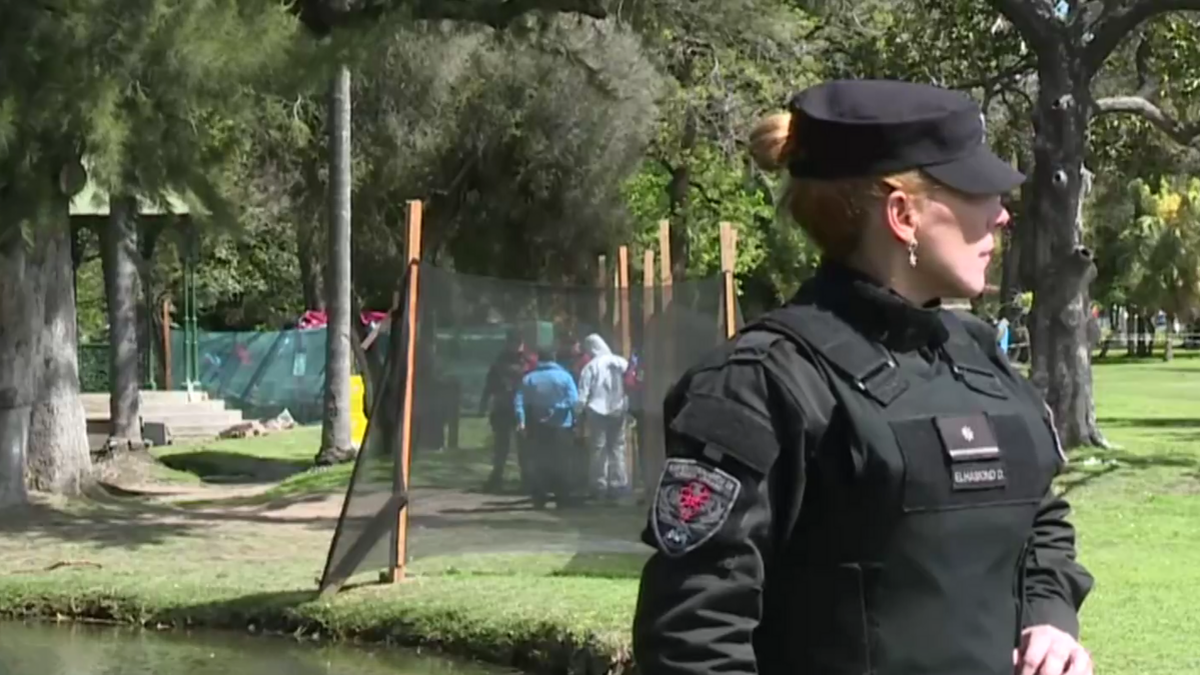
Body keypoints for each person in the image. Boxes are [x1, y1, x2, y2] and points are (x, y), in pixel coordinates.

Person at [632, 80, 1094, 675]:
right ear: (903, 215)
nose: (1002, 215)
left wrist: (1050, 616)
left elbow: (1041, 517)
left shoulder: (980, 357)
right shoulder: (760, 382)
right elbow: (692, 635)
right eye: (977, 190)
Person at [514, 347, 580, 509]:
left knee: (539, 460)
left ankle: (539, 495)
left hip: (538, 425)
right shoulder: (565, 377)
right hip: (562, 424)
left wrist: (521, 421)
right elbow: (574, 400)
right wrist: (558, 408)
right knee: (562, 460)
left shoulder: (529, 379)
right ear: (554, 358)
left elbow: (519, 402)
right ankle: (562, 495)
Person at [577, 333, 631, 500]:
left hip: (596, 410)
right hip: (618, 409)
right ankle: (619, 484)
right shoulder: (620, 361)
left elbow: (582, 393)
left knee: (598, 448)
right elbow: (631, 380)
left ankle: (599, 485)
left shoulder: (590, 366)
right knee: (617, 447)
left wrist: (578, 413)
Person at [479, 330, 533, 493]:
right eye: (513, 343)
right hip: (503, 407)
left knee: (524, 447)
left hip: (522, 409)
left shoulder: (528, 362)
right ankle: (497, 478)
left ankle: (527, 480)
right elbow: (490, 384)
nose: (517, 346)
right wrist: (483, 404)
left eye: (519, 343)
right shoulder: (499, 362)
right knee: (501, 446)